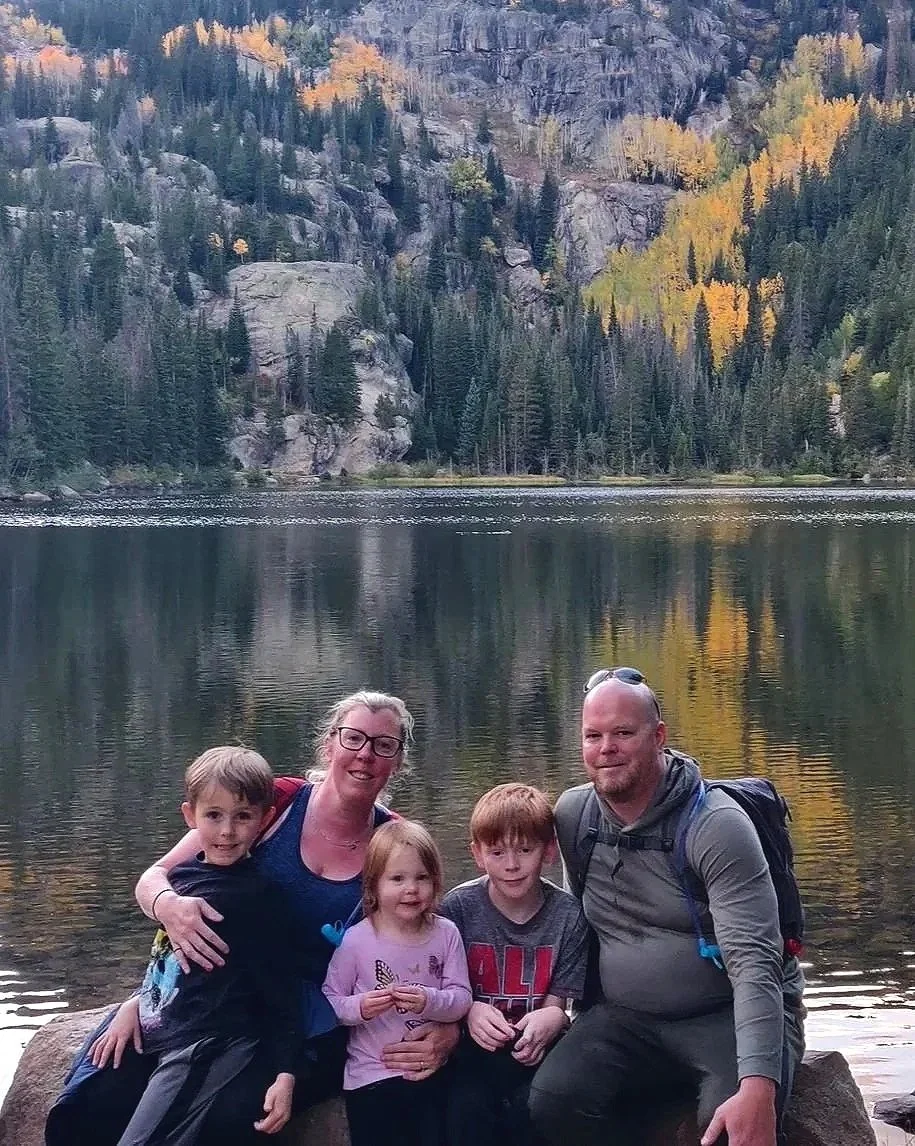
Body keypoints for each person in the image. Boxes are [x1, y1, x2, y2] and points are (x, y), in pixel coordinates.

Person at [47, 690, 459, 1146]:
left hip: (302, 1020)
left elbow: (425, 943)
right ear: (329, 744)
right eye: (353, 738)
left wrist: (447, 1026)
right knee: (93, 1102)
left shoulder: (395, 841)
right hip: (203, 1000)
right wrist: (165, 920)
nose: (365, 754)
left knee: (230, 1117)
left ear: (396, 761)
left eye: (384, 745)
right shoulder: (271, 803)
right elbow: (159, 876)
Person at [528, 668, 806, 1146]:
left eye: (622, 733)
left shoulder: (716, 825)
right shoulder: (575, 817)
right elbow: (573, 919)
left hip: (725, 1015)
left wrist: (759, 1085)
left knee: (726, 1131)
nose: (605, 748)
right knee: (551, 1104)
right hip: (624, 1020)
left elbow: (755, 962)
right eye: (592, 736)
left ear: (658, 737)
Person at [47, 746, 302, 1146]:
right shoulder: (182, 878)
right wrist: (134, 1004)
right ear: (190, 816)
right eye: (213, 815)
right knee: (77, 1107)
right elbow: (167, 960)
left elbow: (282, 992)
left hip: (204, 1043)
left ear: (265, 820)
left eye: (243, 817)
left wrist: (286, 1073)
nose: (226, 831)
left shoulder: (257, 899)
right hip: (158, 1025)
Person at [440, 783, 589, 1146]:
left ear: (549, 850)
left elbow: (559, 1003)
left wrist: (552, 1018)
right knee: (464, 1111)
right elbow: (443, 984)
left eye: (525, 850)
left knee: (535, 1110)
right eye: (496, 852)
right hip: (474, 1045)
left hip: (535, 1046)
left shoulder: (568, 916)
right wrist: (469, 1010)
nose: (511, 865)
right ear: (477, 854)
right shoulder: (458, 909)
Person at [322, 819, 472, 1146]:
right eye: (397, 879)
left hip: (432, 1069)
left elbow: (461, 999)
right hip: (371, 1076)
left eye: (422, 878)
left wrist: (430, 1000)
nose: (411, 889)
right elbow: (331, 1002)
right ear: (374, 885)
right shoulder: (357, 941)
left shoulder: (446, 933)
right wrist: (360, 1007)